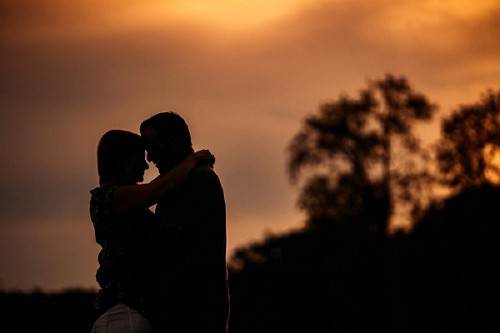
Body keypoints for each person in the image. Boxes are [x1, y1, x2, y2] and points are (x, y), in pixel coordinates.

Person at [89, 129, 214, 333]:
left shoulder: (115, 198)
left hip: (126, 314)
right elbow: (162, 186)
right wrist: (194, 158)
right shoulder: (111, 197)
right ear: (121, 161)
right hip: (124, 315)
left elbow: (159, 183)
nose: (146, 164)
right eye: (139, 158)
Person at [140, 112, 229, 333]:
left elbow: (168, 243)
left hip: (195, 313)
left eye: (153, 147)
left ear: (174, 143)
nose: (150, 158)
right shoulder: (180, 183)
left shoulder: (198, 180)